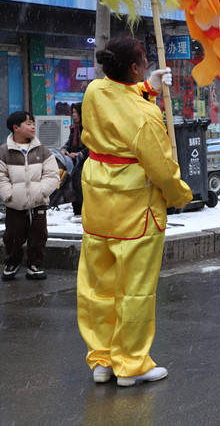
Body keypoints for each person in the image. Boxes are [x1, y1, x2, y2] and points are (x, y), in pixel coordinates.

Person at [77, 37, 192, 387]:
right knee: (135, 291)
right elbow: (162, 169)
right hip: (135, 208)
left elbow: (116, 102)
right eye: (143, 62)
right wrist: (179, 194)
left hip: (98, 201)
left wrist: (147, 88)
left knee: (98, 288)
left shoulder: (94, 91)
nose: (147, 65)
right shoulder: (146, 116)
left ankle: (102, 360)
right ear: (134, 67)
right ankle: (131, 363)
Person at [0, 111, 60, 281]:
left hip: (38, 203)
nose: (33, 126)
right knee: (12, 236)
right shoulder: (4, 152)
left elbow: (52, 174)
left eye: (33, 123)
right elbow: (1, 176)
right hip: (15, 204)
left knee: (39, 235)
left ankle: (34, 265)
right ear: (15, 128)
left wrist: (41, 191)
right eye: (28, 123)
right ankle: (12, 262)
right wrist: (9, 195)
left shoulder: (42, 150)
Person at [61, 103, 88, 217]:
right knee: (74, 188)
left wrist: (80, 154)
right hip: (74, 163)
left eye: (76, 112)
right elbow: (69, 142)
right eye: (73, 112)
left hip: (85, 163)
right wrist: (64, 149)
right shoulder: (74, 128)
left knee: (82, 188)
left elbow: (91, 146)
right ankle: (76, 211)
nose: (74, 115)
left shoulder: (88, 128)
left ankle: (83, 211)